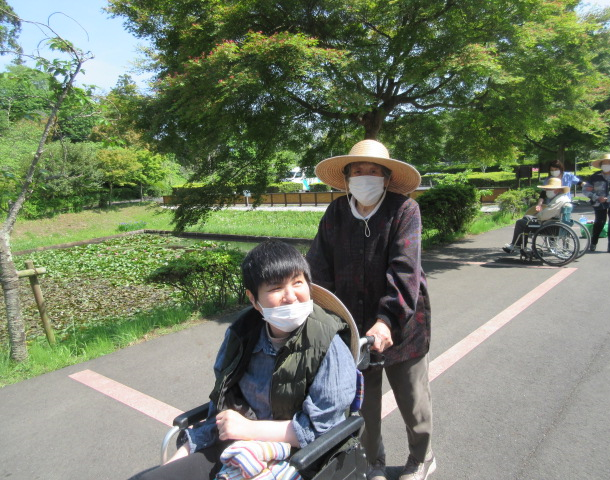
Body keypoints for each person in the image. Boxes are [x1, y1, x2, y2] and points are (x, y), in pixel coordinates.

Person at [139, 240, 357, 480]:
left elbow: (321, 429)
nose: (291, 296)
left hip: (302, 457)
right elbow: (222, 411)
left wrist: (249, 429)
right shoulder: (241, 336)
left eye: (297, 282)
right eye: (275, 288)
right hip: (238, 443)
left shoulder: (329, 344)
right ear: (254, 300)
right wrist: (177, 459)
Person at [305, 140, 434, 480]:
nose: (364, 176)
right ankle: (373, 461)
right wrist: (320, 315)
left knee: (412, 397)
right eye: (357, 171)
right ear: (346, 178)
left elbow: (405, 270)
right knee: (363, 402)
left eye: (373, 171)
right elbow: (318, 267)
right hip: (353, 324)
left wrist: (387, 321)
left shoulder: (404, 210)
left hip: (403, 322)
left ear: (387, 178)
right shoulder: (336, 212)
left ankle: (422, 458)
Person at [502, 177, 572, 253]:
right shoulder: (564, 198)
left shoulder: (558, 200)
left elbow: (544, 215)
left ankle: (518, 245)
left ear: (557, 190)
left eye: (548, 189)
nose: (546, 191)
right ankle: (519, 245)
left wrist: (537, 215)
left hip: (549, 226)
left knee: (520, 223)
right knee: (526, 218)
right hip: (556, 223)